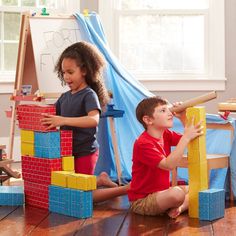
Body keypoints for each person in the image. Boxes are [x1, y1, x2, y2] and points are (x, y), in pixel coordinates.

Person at [41, 41, 117, 188]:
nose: (66, 77)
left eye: (70, 72)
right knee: (70, 185)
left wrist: (63, 120)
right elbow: (49, 113)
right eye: (63, 73)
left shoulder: (89, 95)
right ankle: (100, 179)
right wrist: (28, 115)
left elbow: (93, 120)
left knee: (82, 190)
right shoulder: (64, 97)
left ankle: (109, 185)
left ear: (84, 70)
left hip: (84, 151)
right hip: (67, 151)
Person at [127, 96, 203, 218]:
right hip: (142, 200)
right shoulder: (143, 143)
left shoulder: (166, 134)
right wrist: (186, 137)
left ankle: (178, 208)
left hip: (161, 194)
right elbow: (168, 165)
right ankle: (176, 205)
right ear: (148, 120)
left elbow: (190, 140)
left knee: (198, 188)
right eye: (163, 111)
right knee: (177, 194)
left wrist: (183, 118)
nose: (170, 113)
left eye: (169, 110)